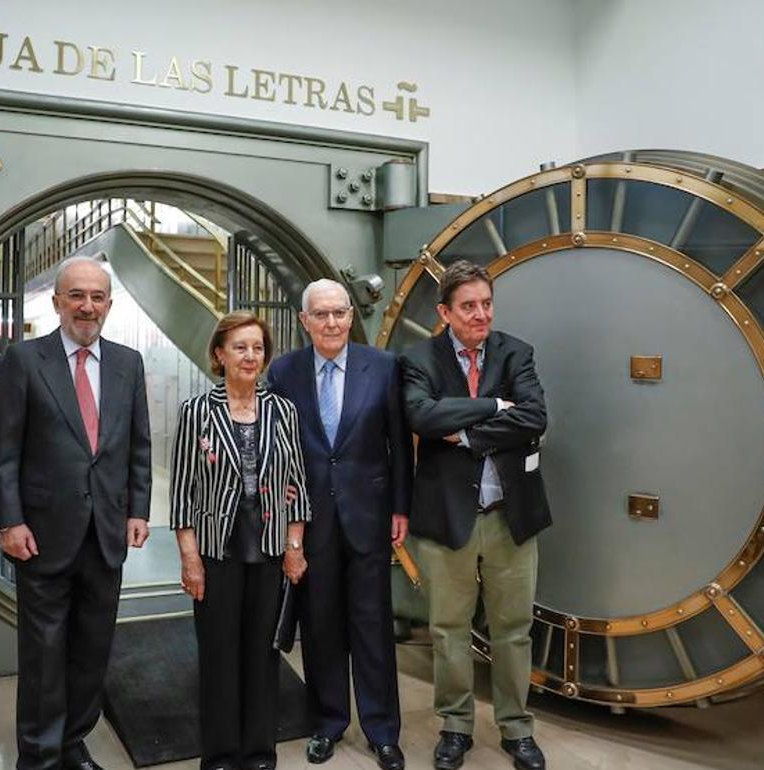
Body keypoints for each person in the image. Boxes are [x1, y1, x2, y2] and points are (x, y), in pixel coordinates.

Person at [0, 255, 153, 770]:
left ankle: (72, 743)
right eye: (76, 295)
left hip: (105, 533)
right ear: (58, 301)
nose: (87, 306)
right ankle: (37, 757)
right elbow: (3, 451)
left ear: (108, 304)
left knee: (92, 649)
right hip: (41, 533)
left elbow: (138, 446)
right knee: (43, 652)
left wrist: (138, 510)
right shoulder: (24, 359)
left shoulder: (128, 363)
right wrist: (9, 521)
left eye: (97, 296)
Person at [399, 260, 551, 770]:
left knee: (513, 628)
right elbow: (421, 415)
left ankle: (516, 728)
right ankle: (456, 725)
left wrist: (463, 427)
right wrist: (495, 407)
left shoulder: (516, 352)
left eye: (486, 303)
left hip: (512, 515)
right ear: (445, 312)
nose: (481, 314)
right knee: (448, 628)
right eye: (468, 306)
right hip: (447, 516)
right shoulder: (419, 357)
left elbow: (535, 418)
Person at [266, 280, 412, 770]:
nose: (332, 323)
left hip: (369, 516)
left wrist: (400, 507)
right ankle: (327, 724)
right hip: (311, 520)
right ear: (304, 320)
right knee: (321, 625)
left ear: (352, 316)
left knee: (372, 626)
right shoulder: (284, 371)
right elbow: (277, 444)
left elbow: (399, 443)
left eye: (340, 313)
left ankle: (383, 731)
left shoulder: (384, 367)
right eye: (321, 315)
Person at [170, 311, 311, 770]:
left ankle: (258, 752)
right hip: (217, 555)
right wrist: (190, 558)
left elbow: (298, 485)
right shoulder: (196, 412)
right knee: (218, 658)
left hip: (269, 552)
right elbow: (182, 494)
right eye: (240, 347)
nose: (251, 356)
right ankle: (220, 755)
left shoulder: (282, 410)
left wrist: (294, 547)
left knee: (262, 659)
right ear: (218, 354)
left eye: (257, 348)